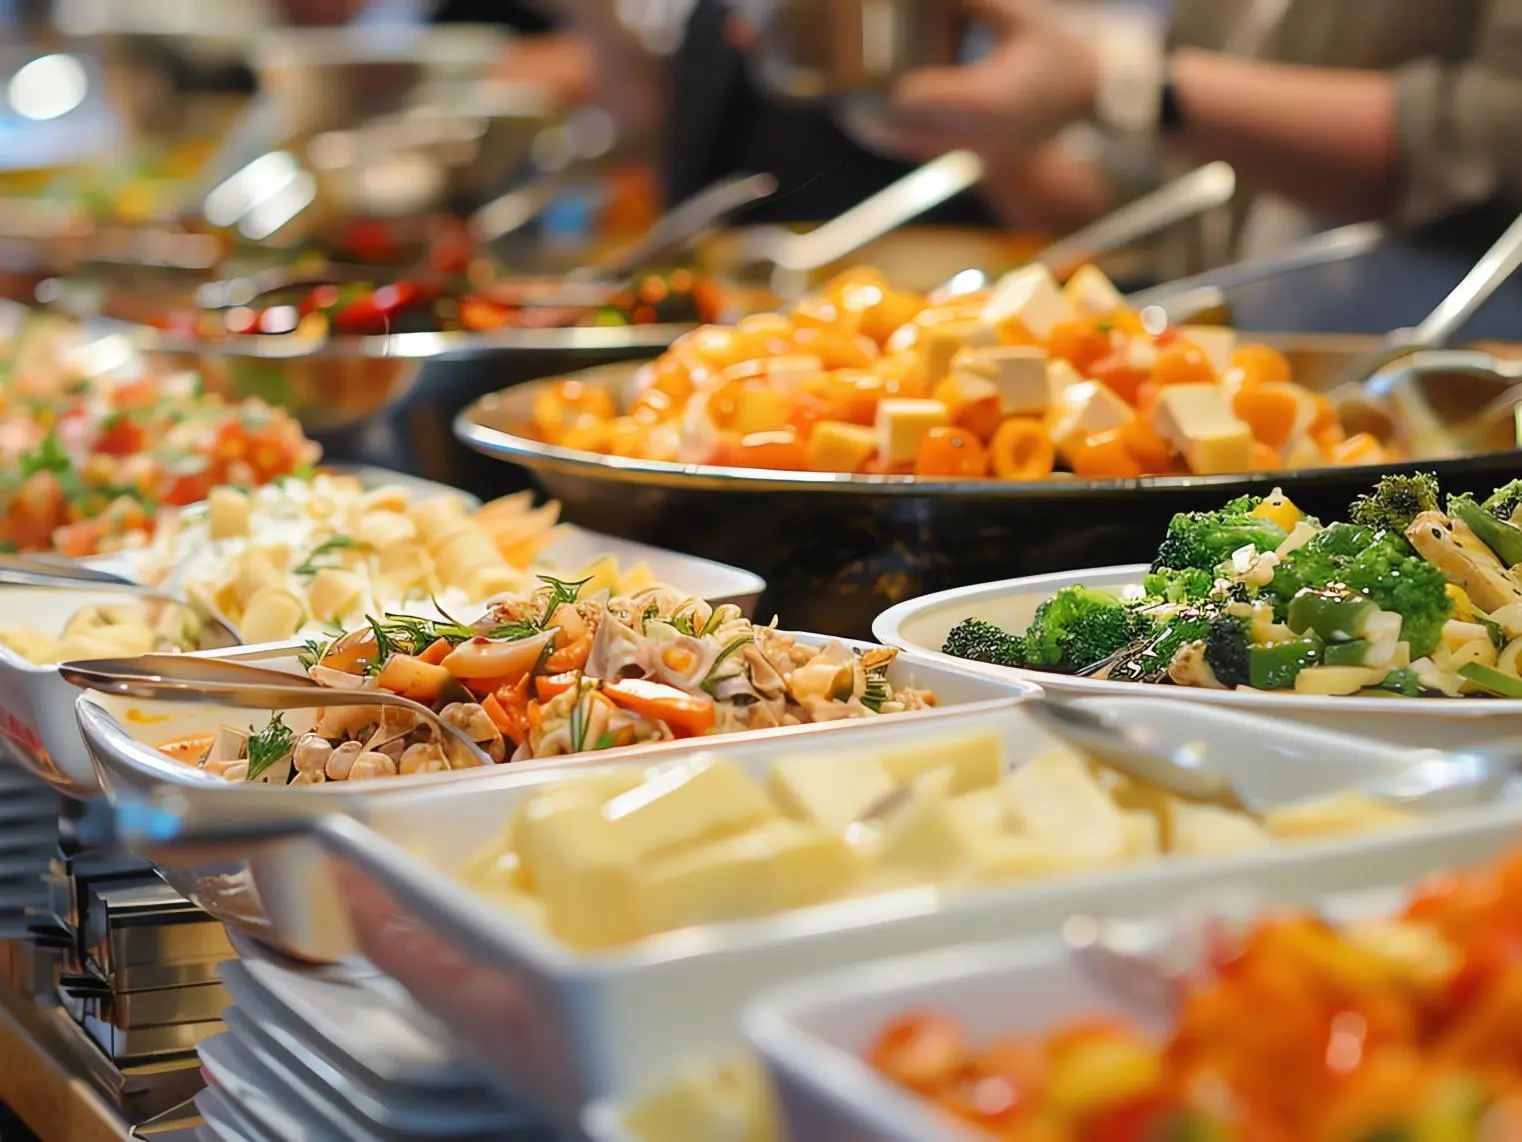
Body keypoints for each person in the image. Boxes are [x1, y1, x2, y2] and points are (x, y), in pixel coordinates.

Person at [875, 0, 1522, 251]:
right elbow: (1147, 206)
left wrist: (1116, 81)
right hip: (1237, 389)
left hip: (1453, 405)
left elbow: (1495, 140)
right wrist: (983, 124)